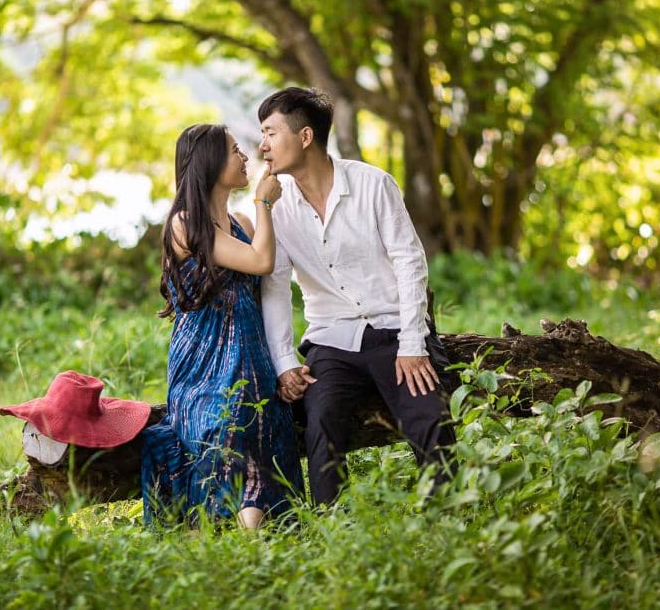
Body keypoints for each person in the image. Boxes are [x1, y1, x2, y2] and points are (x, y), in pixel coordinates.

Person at [258, 87, 456, 506]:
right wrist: (285, 363)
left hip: (393, 329)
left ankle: (449, 517)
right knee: (320, 419)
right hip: (332, 339)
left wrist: (413, 344)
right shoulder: (276, 205)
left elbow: (410, 263)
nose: (263, 147)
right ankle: (332, 528)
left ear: (305, 136)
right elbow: (275, 288)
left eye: (271, 133)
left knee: (428, 416)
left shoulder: (373, 184)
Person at [140, 123, 303, 530]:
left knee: (265, 427)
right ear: (211, 162)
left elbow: (272, 278)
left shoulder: (240, 225)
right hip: (205, 367)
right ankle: (242, 529)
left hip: (251, 360)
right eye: (235, 151)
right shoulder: (184, 223)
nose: (246, 156)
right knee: (225, 426)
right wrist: (263, 204)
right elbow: (260, 262)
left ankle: (255, 529)